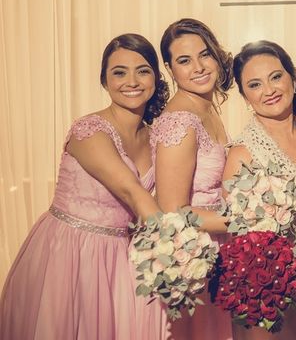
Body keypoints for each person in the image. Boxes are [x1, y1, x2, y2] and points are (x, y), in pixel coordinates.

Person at [0, 33, 169, 339]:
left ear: (156, 78)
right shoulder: (89, 130)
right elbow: (132, 190)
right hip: (69, 253)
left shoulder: (156, 137)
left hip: (119, 258)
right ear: (104, 81)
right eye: (119, 72)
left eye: (142, 70)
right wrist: (178, 245)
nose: (132, 81)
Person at [222, 40, 296, 340]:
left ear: (293, 78)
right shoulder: (242, 154)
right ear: (244, 96)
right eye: (255, 84)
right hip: (280, 290)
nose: (269, 90)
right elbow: (240, 243)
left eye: (276, 77)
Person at [153, 18, 233, 340]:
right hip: (192, 252)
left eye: (205, 55)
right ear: (171, 70)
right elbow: (173, 210)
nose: (199, 67)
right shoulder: (180, 120)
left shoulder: (206, 108)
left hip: (214, 244)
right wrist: (243, 221)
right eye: (184, 61)